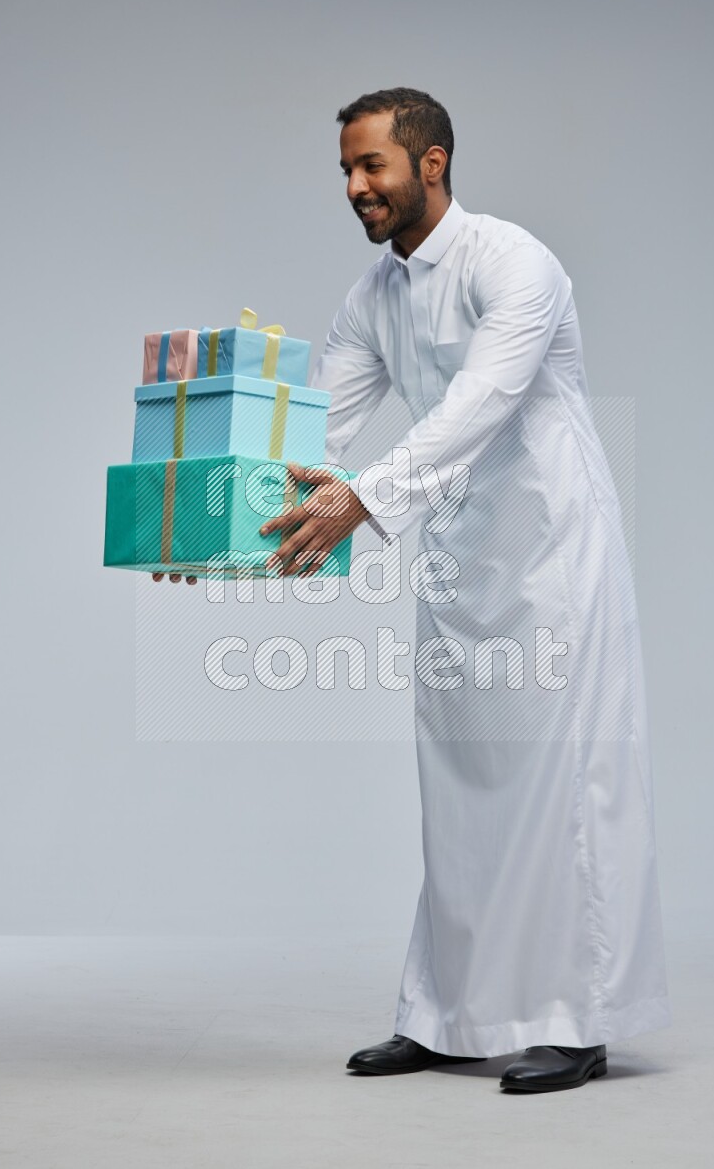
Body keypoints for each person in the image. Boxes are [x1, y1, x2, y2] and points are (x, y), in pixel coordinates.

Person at [261, 87, 673, 1093]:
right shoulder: (373, 296)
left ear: (431, 162)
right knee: (458, 789)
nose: (355, 187)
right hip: (455, 559)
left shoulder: (513, 264)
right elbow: (315, 425)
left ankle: (578, 1020)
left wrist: (361, 499)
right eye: (347, 171)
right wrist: (224, 521)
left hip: (551, 555)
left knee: (562, 783)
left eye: (373, 168)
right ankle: (447, 1015)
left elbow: (478, 402)